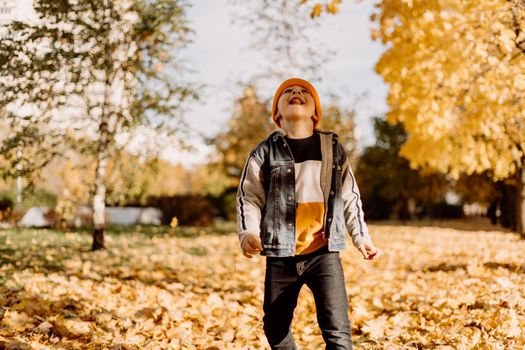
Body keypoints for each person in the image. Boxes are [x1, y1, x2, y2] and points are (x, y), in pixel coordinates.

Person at [236, 77, 382, 349]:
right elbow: (249, 196)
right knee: (275, 328)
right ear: (277, 113)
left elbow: (350, 196)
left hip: (323, 252)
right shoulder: (265, 151)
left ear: (315, 112)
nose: (296, 93)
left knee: (337, 331)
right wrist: (248, 232)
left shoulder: (332, 148)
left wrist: (361, 237)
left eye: (304, 92)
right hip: (281, 255)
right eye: (288, 92)